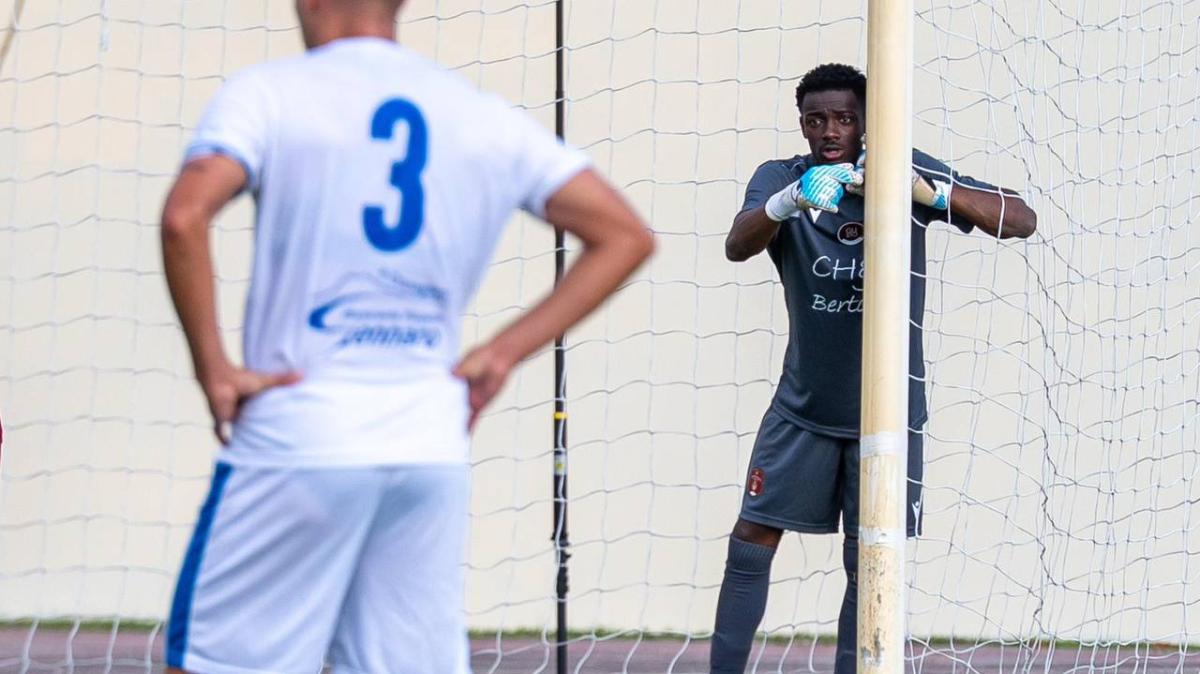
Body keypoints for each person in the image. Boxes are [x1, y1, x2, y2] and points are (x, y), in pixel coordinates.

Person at [159, 0, 654, 672]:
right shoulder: (477, 113)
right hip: (427, 439)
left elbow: (184, 217)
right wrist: (501, 352)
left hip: (301, 433)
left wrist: (213, 369)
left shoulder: (269, 93)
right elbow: (626, 235)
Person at [710, 63, 1036, 674]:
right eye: (816, 119)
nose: (830, 130)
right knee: (752, 535)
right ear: (801, 123)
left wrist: (931, 193)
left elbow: (1020, 219)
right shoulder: (782, 179)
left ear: (866, 120)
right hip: (801, 410)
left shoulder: (899, 170)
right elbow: (737, 243)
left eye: (845, 118)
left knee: (870, 558)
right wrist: (785, 204)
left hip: (885, 415)